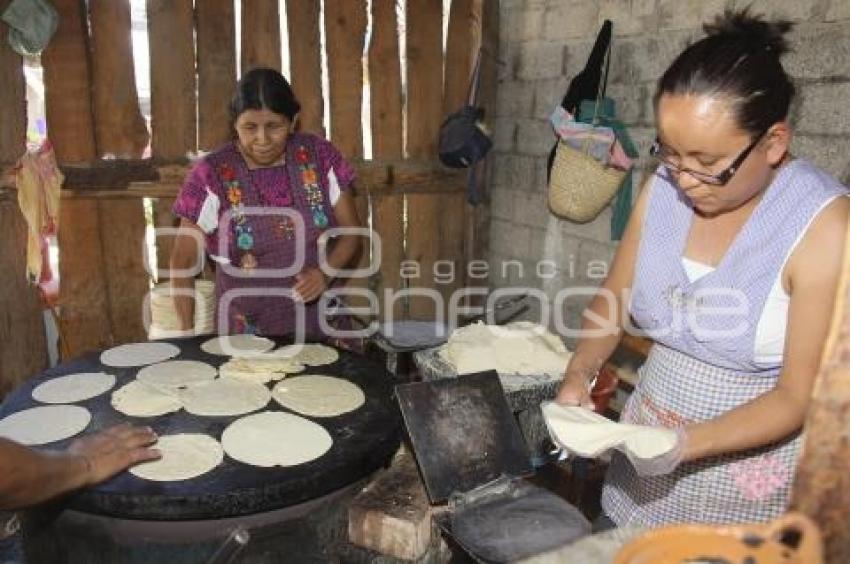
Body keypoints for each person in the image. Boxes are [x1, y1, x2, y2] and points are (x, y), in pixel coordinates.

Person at [556, 9, 849, 528]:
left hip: (744, 485)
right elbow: (613, 301)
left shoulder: (823, 226)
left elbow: (796, 396)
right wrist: (581, 371)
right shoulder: (662, 191)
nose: (685, 179)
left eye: (707, 163)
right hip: (643, 464)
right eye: (669, 154)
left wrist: (682, 445)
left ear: (774, 144)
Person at [170, 68, 362, 339]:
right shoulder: (212, 175)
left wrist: (324, 274)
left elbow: (352, 234)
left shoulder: (318, 157)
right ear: (234, 124)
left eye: (274, 126)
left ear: (293, 121)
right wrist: (186, 336)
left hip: (322, 326)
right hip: (245, 335)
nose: (262, 139)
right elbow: (183, 260)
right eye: (250, 127)